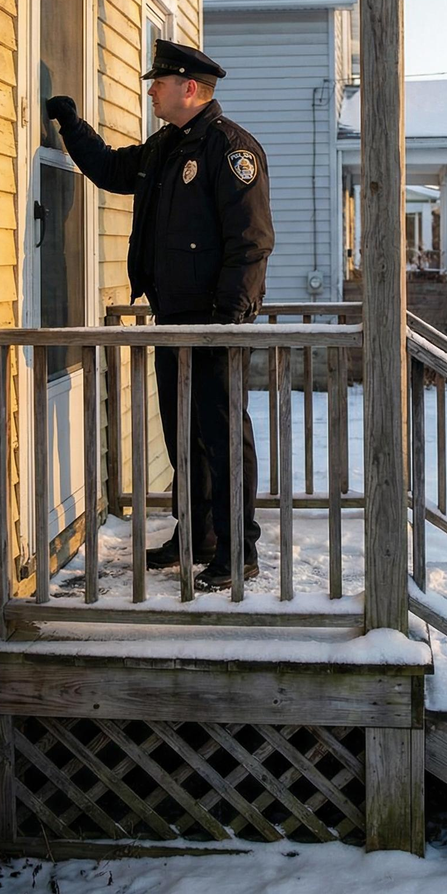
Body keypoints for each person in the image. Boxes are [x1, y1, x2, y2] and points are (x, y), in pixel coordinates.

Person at [45, 39, 274, 592]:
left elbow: (252, 242)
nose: (151, 90)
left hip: (213, 322)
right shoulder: (166, 147)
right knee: (182, 432)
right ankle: (197, 536)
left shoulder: (230, 150)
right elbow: (109, 169)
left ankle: (238, 546)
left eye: (160, 83)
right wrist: (71, 128)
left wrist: (226, 321)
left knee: (221, 434)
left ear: (189, 89)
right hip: (171, 316)